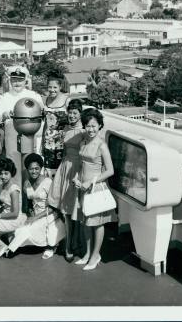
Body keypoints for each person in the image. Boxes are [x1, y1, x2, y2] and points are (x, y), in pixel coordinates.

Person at [72, 108, 116, 271]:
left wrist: (89, 182)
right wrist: (77, 177)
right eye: (87, 126)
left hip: (95, 188)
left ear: (100, 126)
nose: (90, 129)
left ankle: (96, 256)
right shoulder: (83, 141)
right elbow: (81, 164)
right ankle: (88, 254)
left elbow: (110, 171)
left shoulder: (102, 146)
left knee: (97, 224)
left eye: (93, 126)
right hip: (82, 188)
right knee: (85, 224)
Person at [47, 99, 85, 262]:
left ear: (80, 114)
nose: (71, 116)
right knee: (65, 211)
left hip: (77, 170)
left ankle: (74, 244)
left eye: (75, 113)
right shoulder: (66, 128)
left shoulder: (84, 131)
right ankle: (69, 243)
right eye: (70, 113)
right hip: (65, 168)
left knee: (74, 210)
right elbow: (63, 150)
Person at [8, 153, 65, 259]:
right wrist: (30, 214)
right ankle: (14, 246)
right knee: (18, 230)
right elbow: (29, 203)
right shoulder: (26, 183)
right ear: (27, 169)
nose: (34, 171)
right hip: (35, 214)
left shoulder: (48, 182)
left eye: (37, 168)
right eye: (31, 169)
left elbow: (54, 207)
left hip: (49, 214)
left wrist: (35, 217)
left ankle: (10, 249)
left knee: (28, 230)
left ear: (41, 168)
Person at [1, 67, 44, 187]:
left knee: (29, 166)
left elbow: (42, 118)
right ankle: (15, 201)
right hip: (11, 137)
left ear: (25, 80)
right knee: (13, 167)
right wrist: (3, 115)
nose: (17, 83)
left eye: (20, 80)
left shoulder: (34, 96)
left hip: (30, 136)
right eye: (14, 79)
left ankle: (28, 201)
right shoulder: (4, 97)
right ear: (10, 80)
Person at [41, 72, 69, 178]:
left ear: (60, 86)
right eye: (50, 87)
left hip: (62, 141)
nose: (52, 90)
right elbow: (45, 123)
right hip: (48, 142)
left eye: (55, 87)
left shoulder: (66, 100)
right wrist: (42, 142)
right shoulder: (46, 100)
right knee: (49, 171)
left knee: (61, 171)